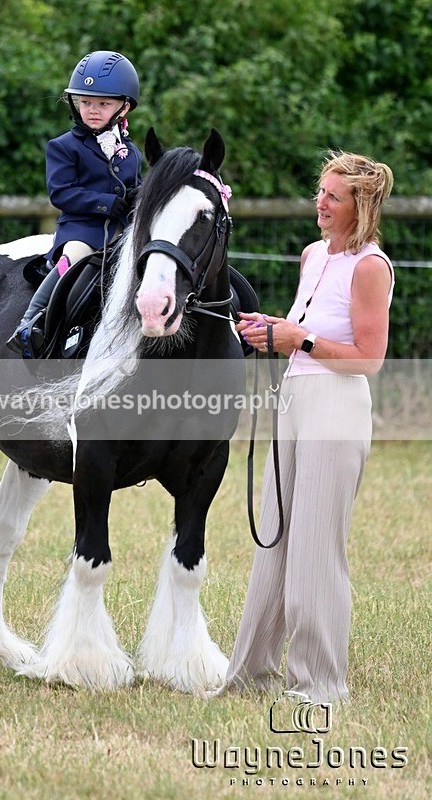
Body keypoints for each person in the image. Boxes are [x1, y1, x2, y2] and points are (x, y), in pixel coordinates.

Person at [217, 151, 394, 704]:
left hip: (336, 408)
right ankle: (250, 675)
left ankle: (319, 684)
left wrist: (300, 340)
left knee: (316, 548)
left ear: (360, 207)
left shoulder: (371, 267)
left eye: (333, 196)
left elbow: (369, 358)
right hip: (293, 400)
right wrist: (273, 329)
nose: (320, 203)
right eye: (320, 191)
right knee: (273, 540)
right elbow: (306, 329)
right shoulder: (313, 255)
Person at [7, 50, 143, 357]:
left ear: (124, 107)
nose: (92, 110)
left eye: (103, 104)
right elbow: (62, 193)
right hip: (82, 231)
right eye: (85, 102)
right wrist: (107, 203)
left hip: (122, 232)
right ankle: (32, 322)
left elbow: (135, 188)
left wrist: (139, 199)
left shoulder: (131, 152)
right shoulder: (63, 147)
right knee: (72, 260)